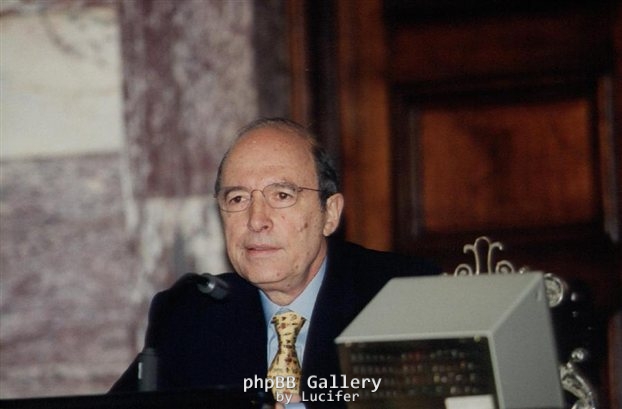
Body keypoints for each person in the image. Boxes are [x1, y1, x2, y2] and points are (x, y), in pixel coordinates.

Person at [110, 118, 439, 407]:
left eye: (282, 195)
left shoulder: (401, 296)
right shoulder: (190, 315)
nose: (256, 220)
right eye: (237, 198)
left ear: (330, 213)